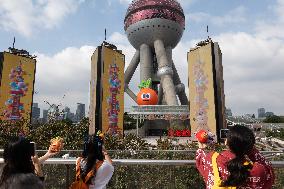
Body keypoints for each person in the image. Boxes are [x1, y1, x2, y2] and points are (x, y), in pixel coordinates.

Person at [195, 125, 274, 189]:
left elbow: (199, 158)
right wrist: (250, 149)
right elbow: (268, 170)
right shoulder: (260, 170)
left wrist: (202, 146)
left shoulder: (212, 160)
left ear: (226, 142)